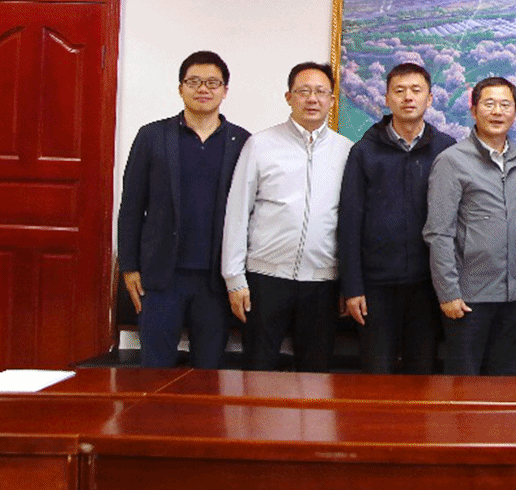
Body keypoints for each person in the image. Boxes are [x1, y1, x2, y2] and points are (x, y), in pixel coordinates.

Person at [118, 51, 250, 369]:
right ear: (181, 88)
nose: (203, 89)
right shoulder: (152, 137)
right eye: (194, 82)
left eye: (212, 83)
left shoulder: (243, 142)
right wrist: (129, 266)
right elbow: (131, 205)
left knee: (208, 374)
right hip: (162, 277)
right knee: (155, 372)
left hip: (215, 280)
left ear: (225, 90)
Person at [221, 61, 353, 371]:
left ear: (332, 100)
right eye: (303, 91)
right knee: (258, 373)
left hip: (322, 283)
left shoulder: (346, 151)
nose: (312, 99)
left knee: (315, 378)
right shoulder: (260, 145)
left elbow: (351, 222)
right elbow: (237, 213)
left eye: (321, 92)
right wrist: (234, 278)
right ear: (288, 97)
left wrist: (348, 283)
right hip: (265, 280)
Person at [337, 62, 455, 374]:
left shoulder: (446, 149)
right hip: (376, 286)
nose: (408, 97)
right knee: (377, 375)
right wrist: (352, 287)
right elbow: (349, 222)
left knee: (423, 375)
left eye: (416, 90)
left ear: (430, 99)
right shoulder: (364, 151)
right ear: (387, 99)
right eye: (399, 91)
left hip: (428, 285)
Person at [425, 76, 516, 376]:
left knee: (505, 388)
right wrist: (448, 293)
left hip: (514, 298)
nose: (497, 111)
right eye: (489, 104)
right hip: (468, 299)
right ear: (473, 110)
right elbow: (438, 232)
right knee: (465, 389)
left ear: (515, 112)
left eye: (505, 105)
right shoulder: (452, 161)